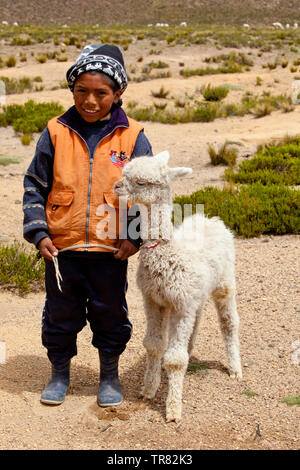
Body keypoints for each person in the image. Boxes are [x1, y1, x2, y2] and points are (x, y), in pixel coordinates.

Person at [22, 44, 153, 407]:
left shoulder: (133, 136)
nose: (90, 100)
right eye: (82, 91)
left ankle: (109, 374)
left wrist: (135, 236)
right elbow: (35, 183)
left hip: (111, 250)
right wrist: (39, 232)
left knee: (110, 313)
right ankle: (59, 373)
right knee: (60, 313)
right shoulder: (56, 131)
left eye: (101, 93)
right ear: (72, 90)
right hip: (62, 249)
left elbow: (148, 190)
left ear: (118, 94)